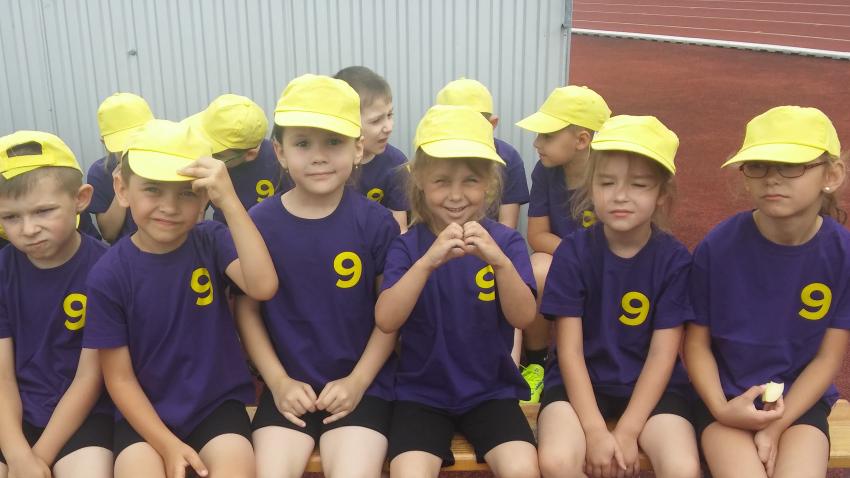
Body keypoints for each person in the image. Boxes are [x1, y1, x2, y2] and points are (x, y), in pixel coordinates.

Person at [83, 119, 278, 478]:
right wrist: (167, 445)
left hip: (215, 406)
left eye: (186, 193)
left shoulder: (211, 240)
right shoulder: (108, 274)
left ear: (204, 197)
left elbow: (262, 286)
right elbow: (119, 379)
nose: (169, 207)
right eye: (152, 189)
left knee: (237, 467)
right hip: (144, 416)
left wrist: (230, 202)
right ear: (122, 189)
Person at [236, 74, 398, 478]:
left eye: (334, 142)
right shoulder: (259, 222)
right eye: (303, 143)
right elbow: (247, 311)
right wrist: (277, 382)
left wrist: (358, 381)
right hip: (288, 389)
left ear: (357, 148)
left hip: (362, 387)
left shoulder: (376, 222)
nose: (319, 156)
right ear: (280, 151)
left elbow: (391, 318)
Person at [685, 105, 849, 478]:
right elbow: (696, 345)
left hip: (799, 404)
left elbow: (828, 358)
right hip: (724, 399)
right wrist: (722, 409)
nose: (772, 179)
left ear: (832, 175)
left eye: (790, 166)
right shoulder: (718, 246)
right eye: (758, 166)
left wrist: (776, 425)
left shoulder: (842, 255)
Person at [376, 105, 540, 477]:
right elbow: (386, 319)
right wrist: (427, 263)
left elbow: (523, 317)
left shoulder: (506, 243)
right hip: (420, 395)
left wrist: (500, 264)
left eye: (470, 180)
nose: (455, 195)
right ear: (419, 179)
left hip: (491, 392)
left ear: (489, 184)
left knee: (523, 469)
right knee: (408, 472)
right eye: (441, 181)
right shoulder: (407, 247)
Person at [536, 115, 700, 478]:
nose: (620, 195)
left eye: (638, 184)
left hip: (652, 388)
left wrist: (628, 430)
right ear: (591, 186)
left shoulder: (674, 260)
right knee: (555, 460)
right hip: (581, 384)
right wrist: (595, 430)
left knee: (683, 466)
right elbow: (569, 352)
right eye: (607, 182)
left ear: (661, 194)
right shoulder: (573, 253)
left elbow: (662, 354)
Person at [0, 131, 113, 478]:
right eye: (10, 217)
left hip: (86, 415)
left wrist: (39, 458)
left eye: (44, 211)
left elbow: (90, 377)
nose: (28, 229)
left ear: (81, 199)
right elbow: (2, 377)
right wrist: (18, 456)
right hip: (12, 416)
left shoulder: (108, 269)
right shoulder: (3, 271)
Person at [515, 85, 611, 402]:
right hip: (565, 257)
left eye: (547, 136)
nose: (536, 143)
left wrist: (592, 262)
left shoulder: (610, 176)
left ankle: (604, 361)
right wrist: (575, 257)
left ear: (582, 140)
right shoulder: (545, 171)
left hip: (610, 261)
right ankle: (537, 362)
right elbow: (537, 235)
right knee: (537, 269)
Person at [435, 77, 529, 229]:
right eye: (451, 124)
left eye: (469, 125)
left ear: (492, 124)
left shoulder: (508, 158)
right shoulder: (431, 157)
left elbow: (507, 224)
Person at [184, 94, 284, 223]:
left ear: (250, 154)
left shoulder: (281, 165)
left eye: (217, 155)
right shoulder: (202, 160)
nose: (208, 157)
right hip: (221, 232)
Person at [334, 66, 409, 231]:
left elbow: (400, 229)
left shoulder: (396, 165)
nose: (388, 127)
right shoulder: (329, 164)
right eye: (376, 121)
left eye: (389, 115)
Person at [86, 92, 153, 243]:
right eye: (122, 143)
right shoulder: (100, 173)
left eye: (139, 139)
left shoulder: (169, 161)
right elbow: (109, 234)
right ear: (104, 143)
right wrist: (122, 185)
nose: (131, 147)